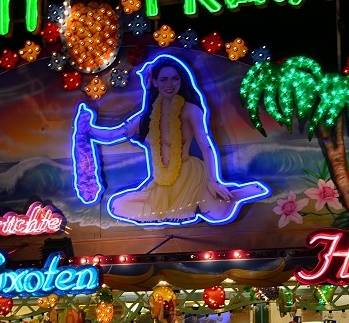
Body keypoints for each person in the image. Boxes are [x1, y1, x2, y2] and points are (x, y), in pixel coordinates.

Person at [72, 53, 270, 226]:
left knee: (217, 214)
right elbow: (113, 135)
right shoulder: (145, 118)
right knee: (117, 206)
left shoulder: (190, 110)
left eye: (175, 79)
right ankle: (191, 206)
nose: (170, 84)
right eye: (164, 79)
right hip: (161, 182)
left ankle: (235, 194)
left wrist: (213, 180)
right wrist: (88, 129)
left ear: (181, 81)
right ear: (155, 82)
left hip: (191, 174)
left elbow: (206, 146)